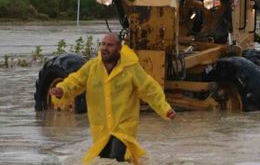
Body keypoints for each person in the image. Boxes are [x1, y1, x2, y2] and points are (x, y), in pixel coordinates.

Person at [49, 33, 176, 165]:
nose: (105, 48)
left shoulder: (131, 68)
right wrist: (61, 91)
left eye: (110, 45)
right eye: (103, 44)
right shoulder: (92, 67)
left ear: (119, 49)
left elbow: (149, 89)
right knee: (104, 160)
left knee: (116, 157)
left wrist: (165, 109)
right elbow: (74, 82)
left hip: (124, 127)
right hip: (101, 129)